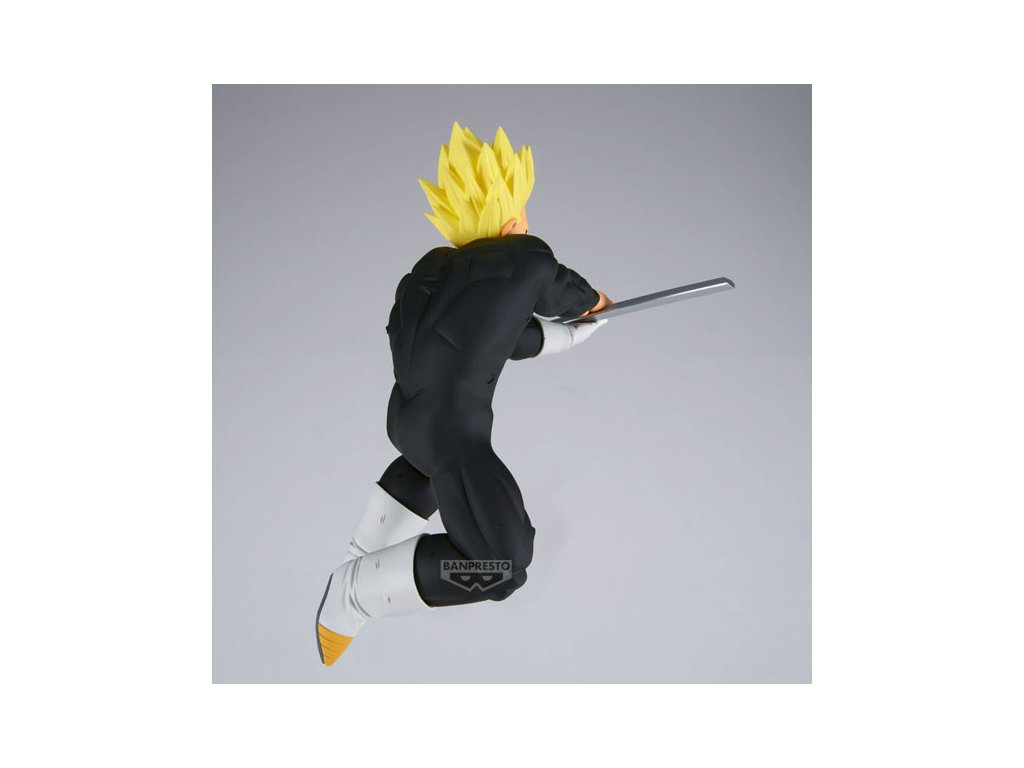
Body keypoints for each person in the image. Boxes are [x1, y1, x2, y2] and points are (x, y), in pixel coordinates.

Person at [316, 122, 611, 665]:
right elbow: (559, 289)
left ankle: (362, 554)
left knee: (427, 466)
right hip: (454, 436)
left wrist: (568, 337)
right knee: (502, 566)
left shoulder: (426, 274)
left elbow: (495, 338)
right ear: (510, 214)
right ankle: (355, 592)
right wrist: (594, 303)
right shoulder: (526, 257)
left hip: (407, 424)